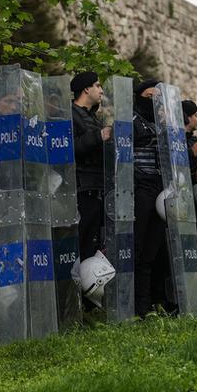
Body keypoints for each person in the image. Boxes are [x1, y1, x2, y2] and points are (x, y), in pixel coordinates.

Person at [132, 78, 170, 315]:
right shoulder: (133, 121)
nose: (155, 103)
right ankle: (135, 306)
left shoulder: (161, 125)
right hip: (140, 188)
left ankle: (146, 306)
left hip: (159, 188)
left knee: (151, 252)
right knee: (137, 249)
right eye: (150, 97)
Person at [70, 72, 111, 283]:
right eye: (97, 85)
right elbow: (68, 147)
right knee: (79, 242)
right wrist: (99, 136)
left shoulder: (94, 118)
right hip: (80, 187)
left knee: (92, 244)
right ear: (86, 89)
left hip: (97, 187)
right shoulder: (69, 114)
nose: (101, 90)